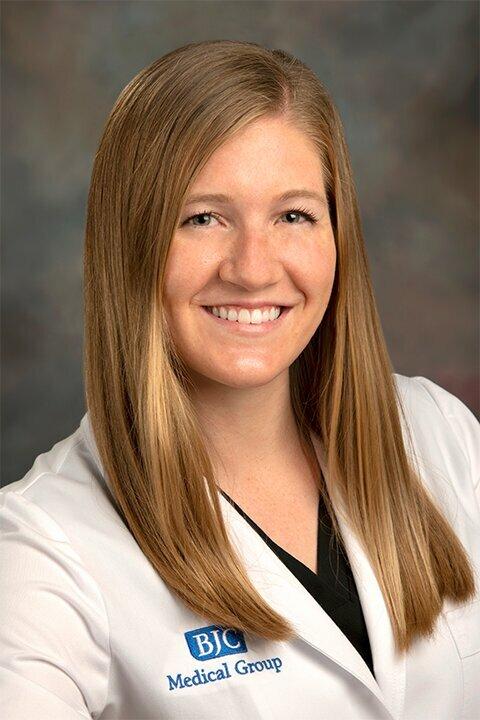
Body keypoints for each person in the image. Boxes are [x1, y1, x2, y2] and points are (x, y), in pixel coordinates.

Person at [1, 39, 479, 720]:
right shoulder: (40, 550)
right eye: (203, 218)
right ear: (130, 244)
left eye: (293, 215)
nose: (253, 269)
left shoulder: (442, 435)